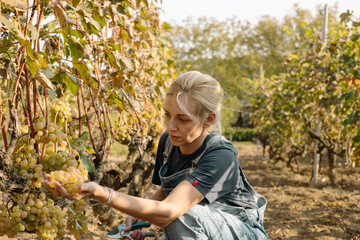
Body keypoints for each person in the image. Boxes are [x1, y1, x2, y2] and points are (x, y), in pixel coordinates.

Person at [44, 71, 268, 240]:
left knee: (181, 215)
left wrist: (104, 194)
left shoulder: (221, 156)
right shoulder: (169, 142)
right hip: (205, 226)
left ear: (208, 119)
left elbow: (170, 211)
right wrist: (138, 217)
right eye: (167, 115)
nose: (171, 126)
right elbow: (165, 191)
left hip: (241, 230)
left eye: (182, 119)